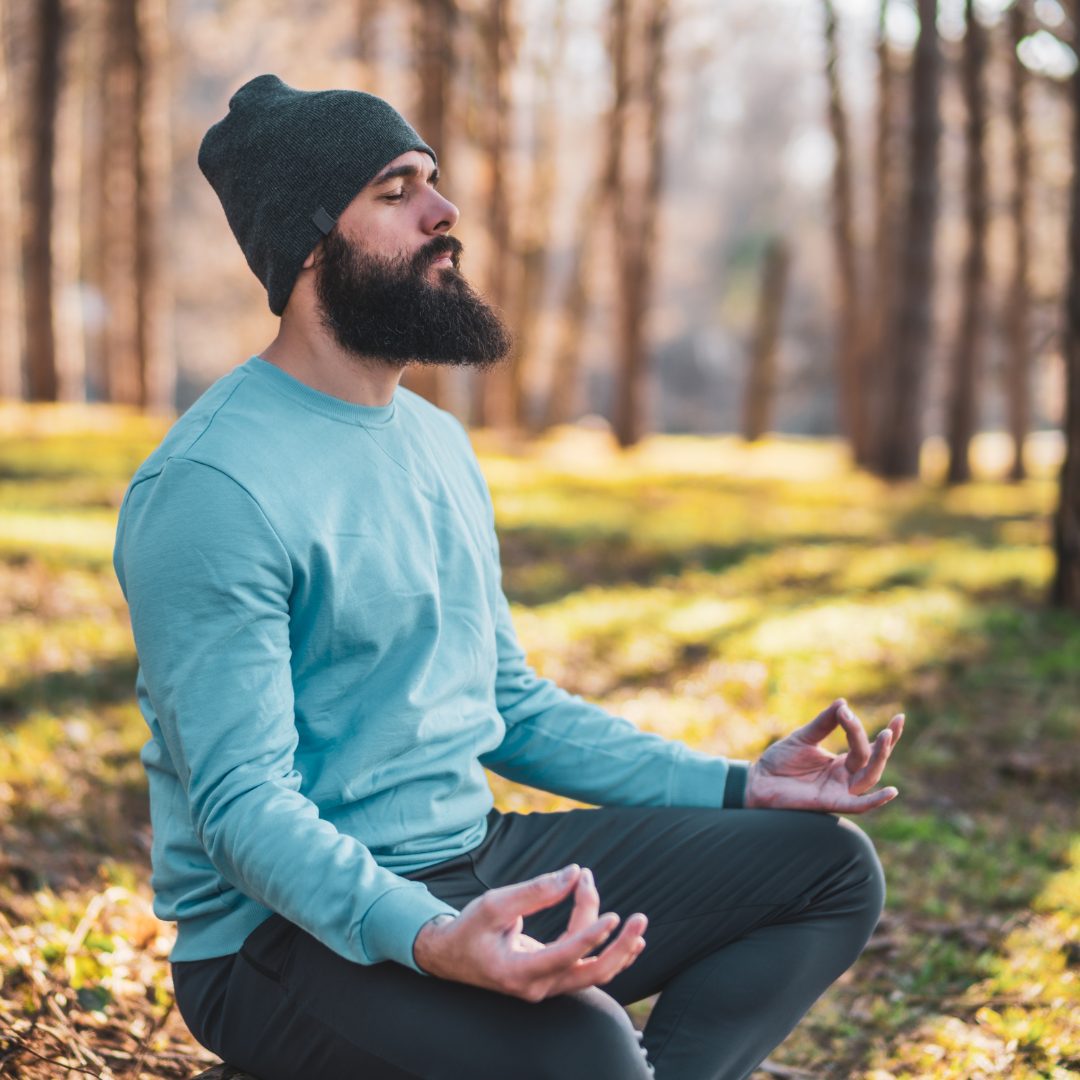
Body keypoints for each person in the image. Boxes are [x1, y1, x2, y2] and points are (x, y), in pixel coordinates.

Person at [112, 74, 905, 1080]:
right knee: (586, 1054)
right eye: (396, 192)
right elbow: (241, 808)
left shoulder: (436, 445)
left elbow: (504, 702)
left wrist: (739, 785)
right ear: (312, 246)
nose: (446, 215)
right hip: (279, 938)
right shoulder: (213, 486)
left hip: (472, 858)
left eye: (433, 181)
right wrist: (432, 938)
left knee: (826, 870)